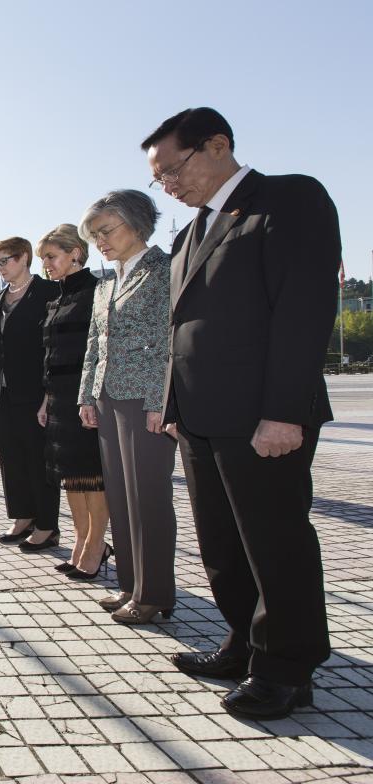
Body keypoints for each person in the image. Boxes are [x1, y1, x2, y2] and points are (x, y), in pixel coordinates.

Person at [143, 107, 339, 719]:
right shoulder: (188, 234)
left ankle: (288, 668)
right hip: (200, 417)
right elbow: (184, 327)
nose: (169, 188)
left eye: (173, 171)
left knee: (274, 541)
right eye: (160, 180)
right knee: (222, 545)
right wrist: (174, 406)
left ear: (217, 145)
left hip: (262, 416)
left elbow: (304, 311)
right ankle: (242, 640)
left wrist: (285, 412)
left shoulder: (287, 200)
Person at [77, 191, 176, 622]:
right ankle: (130, 585)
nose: (100, 240)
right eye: (95, 235)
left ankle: (154, 594)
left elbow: (170, 343)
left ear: (137, 223)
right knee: (120, 496)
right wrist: (86, 395)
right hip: (107, 396)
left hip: (144, 400)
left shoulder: (166, 270)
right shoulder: (105, 284)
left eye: (106, 230)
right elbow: (94, 346)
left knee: (148, 497)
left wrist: (161, 401)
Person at [0, 237, 61, 551]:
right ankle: (22, 516)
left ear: (24, 257)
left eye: (5, 260)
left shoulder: (49, 293)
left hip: (35, 391)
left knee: (38, 460)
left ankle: (47, 526)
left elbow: (55, 345)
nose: (0, 268)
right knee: (10, 458)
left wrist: (50, 393)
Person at [36, 224, 109, 580]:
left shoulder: (98, 291)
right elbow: (50, 355)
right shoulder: (56, 299)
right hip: (59, 400)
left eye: (51, 256)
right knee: (71, 478)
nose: (46, 264)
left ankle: (96, 545)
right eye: (44, 258)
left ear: (75, 253)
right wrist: (46, 400)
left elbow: (100, 352)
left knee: (92, 476)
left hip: (87, 399)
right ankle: (81, 541)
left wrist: (90, 397)